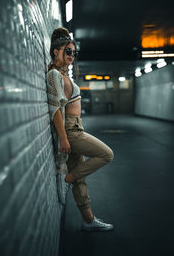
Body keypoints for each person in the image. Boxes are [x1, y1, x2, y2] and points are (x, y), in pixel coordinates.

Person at [46, 27, 114, 231]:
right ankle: (68, 178)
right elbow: (55, 108)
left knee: (80, 178)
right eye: (68, 51)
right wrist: (64, 138)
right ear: (56, 51)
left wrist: (63, 34)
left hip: (75, 126)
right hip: (71, 130)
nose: (72, 55)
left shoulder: (63, 74)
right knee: (106, 154)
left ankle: (89, 221)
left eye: (74, 52)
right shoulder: (53, 75)